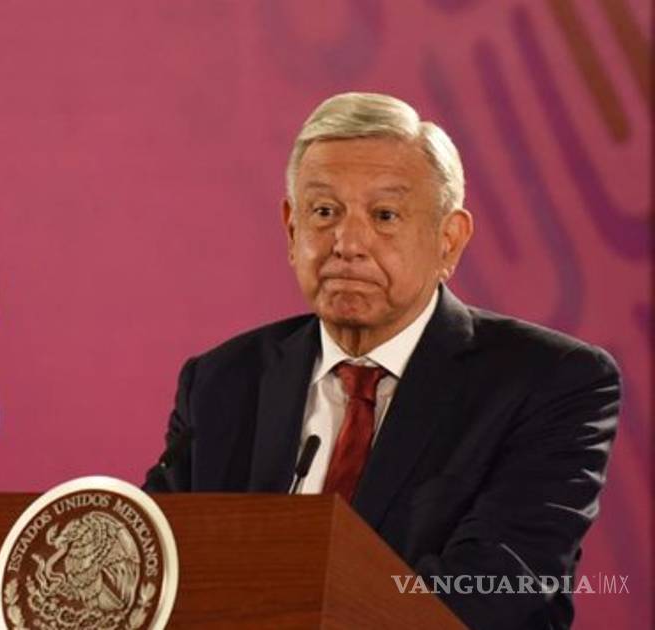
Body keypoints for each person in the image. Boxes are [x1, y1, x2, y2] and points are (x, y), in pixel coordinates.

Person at [143, 92, 620, 630]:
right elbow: (155, 566)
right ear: (292, 229)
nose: (348, 243)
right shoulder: (223, 380)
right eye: (324, 212)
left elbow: (494, 585)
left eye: (385, 215)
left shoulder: (550, 382)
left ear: (449, 240)